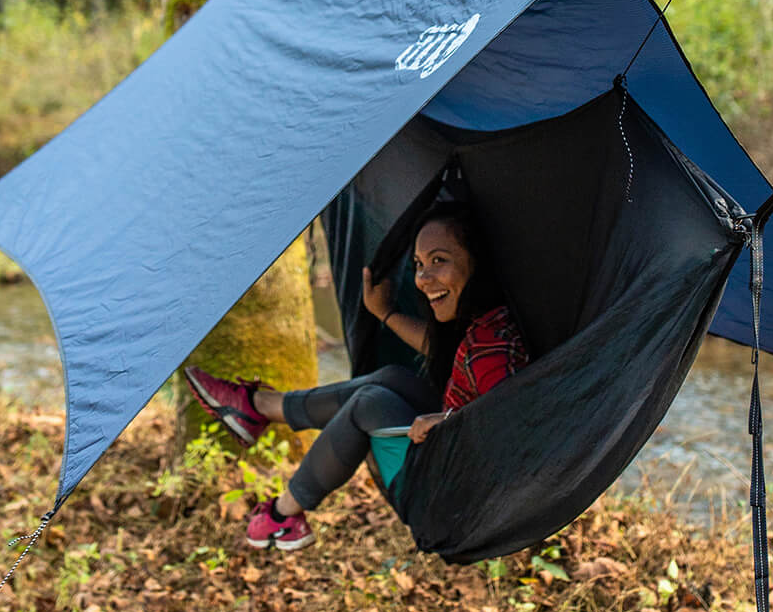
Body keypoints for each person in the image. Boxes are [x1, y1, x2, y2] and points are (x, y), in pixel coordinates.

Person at [184, 202, 529, 551]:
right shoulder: (491, 320)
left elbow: (508, 431)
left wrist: (447, 421)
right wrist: (386, 312)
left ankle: (282, 515)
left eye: (439, 260)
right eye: (419, 265)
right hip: (451, 465)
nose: (423, 279)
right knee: (393, 378)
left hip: (453, 503)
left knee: (371, 403)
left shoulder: (488, 350)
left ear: (476, 259)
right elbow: (450, 354)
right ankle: (258, 408)